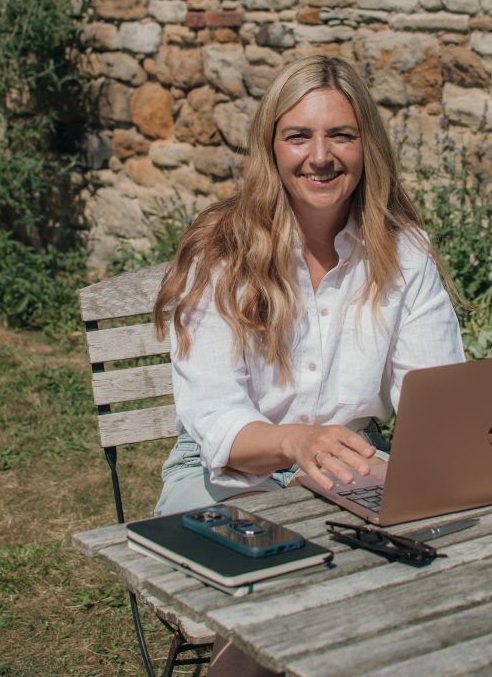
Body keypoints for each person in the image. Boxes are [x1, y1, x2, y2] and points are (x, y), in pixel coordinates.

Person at [153, 54, 464, 675]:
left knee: (450, 564)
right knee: (277, 588)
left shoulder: (404, 252)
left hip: (354, 466)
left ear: (366, 144)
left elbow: (436, 396)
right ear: (271, 147)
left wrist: (467, 443)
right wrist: (297, 444)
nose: (320, 156)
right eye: (299, 136)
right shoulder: (219, 252)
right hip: (225, 475)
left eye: (340, 135)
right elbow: (216, 419)